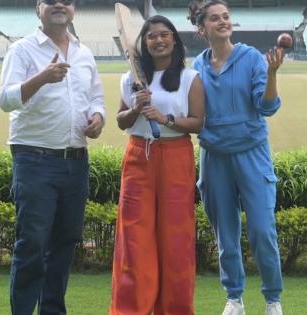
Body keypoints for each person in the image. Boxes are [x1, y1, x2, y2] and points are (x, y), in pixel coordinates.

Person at [0, 0, 105, 314]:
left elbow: (96, 97)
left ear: (74, 9)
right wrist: (41, 77)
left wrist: (98, 118)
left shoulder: (84, 53)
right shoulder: (22, 50)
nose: (60, 4)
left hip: (76, 160)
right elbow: (5, 100)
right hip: (35, 160)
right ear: (37, 8)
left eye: (67, 0)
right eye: (51, 0)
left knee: (64, 245)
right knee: (32, 244)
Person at [188, 1, 284, 315]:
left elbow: (267, 107)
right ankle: (234, 298)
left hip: (252, 155)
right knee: (225, 236)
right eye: (215, 19)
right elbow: (192, 114)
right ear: (202, 29)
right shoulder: (197, 67)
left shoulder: (252, 59)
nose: (223, 22)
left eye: (226, 17)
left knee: (262, 231)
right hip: (214, 157)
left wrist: (271, 74)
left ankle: (273, 300)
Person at [109, 15, 205, 315]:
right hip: (139, 156)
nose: (159, 40)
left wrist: (166, 119)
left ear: (174, 40)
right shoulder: (130, 79)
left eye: (164, 35)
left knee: (176, 238)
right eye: (152, 36)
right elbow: (121, 121)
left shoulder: (190, 78)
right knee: (134, 238)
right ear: (144, 42)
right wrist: (136, 107)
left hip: (176, 156)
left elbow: (199, 123)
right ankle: (132, 309)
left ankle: (174, 309)